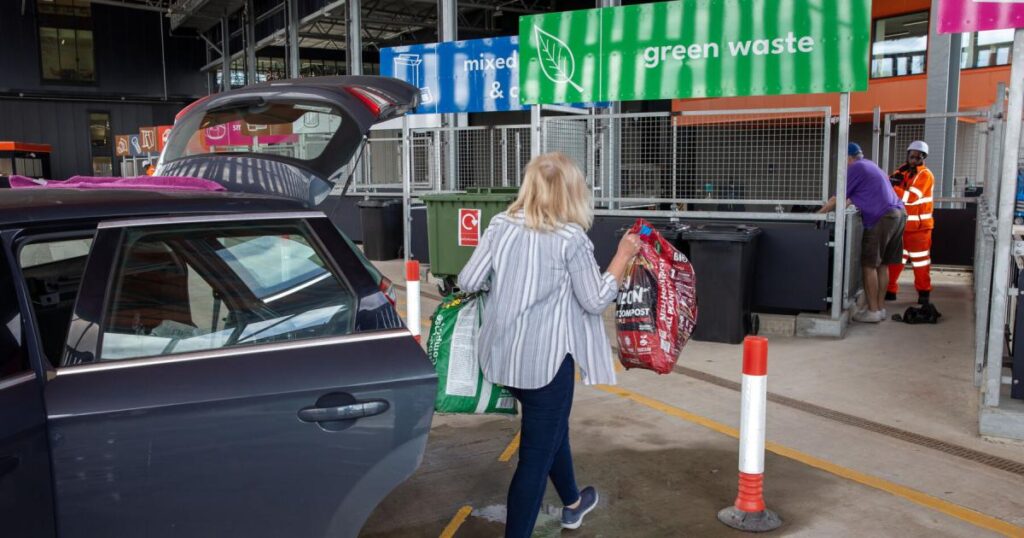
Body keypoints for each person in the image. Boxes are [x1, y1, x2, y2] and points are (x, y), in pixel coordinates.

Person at [458, 152, 640, 537]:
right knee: (534, 462)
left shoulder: (499, 225)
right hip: (546, 368)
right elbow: (594, 300)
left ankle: (573, 503)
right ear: (572, 192)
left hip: (501, 357)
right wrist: (623, 256)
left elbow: (469, 280)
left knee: (552, 431)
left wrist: (509, 286)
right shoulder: (570, 239)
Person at [820, 143, 907, 323]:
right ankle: (880, 308)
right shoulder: (870, 165)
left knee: (869, 265)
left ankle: (873, 311)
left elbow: (837, 198)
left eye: (841, 160)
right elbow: (850, 199)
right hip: (898, 214)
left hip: (882, 217)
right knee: (882, 265)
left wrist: (816, 216)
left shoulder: (855, 168)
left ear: (848, 157)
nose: (841, 165)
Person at [886, 141, 935, 305]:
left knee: (920, 263)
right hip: (901, 226)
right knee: (895, 261)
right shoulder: (901, 172)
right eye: (911, 156)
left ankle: (924, 293)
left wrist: (893, 187)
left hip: (919, 230)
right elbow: (888, 187)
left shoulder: (925, 175)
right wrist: (891, 182)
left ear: (923, 158)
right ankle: (890, 290)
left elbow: (911, 198)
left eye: (917, 157)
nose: (913, 159)